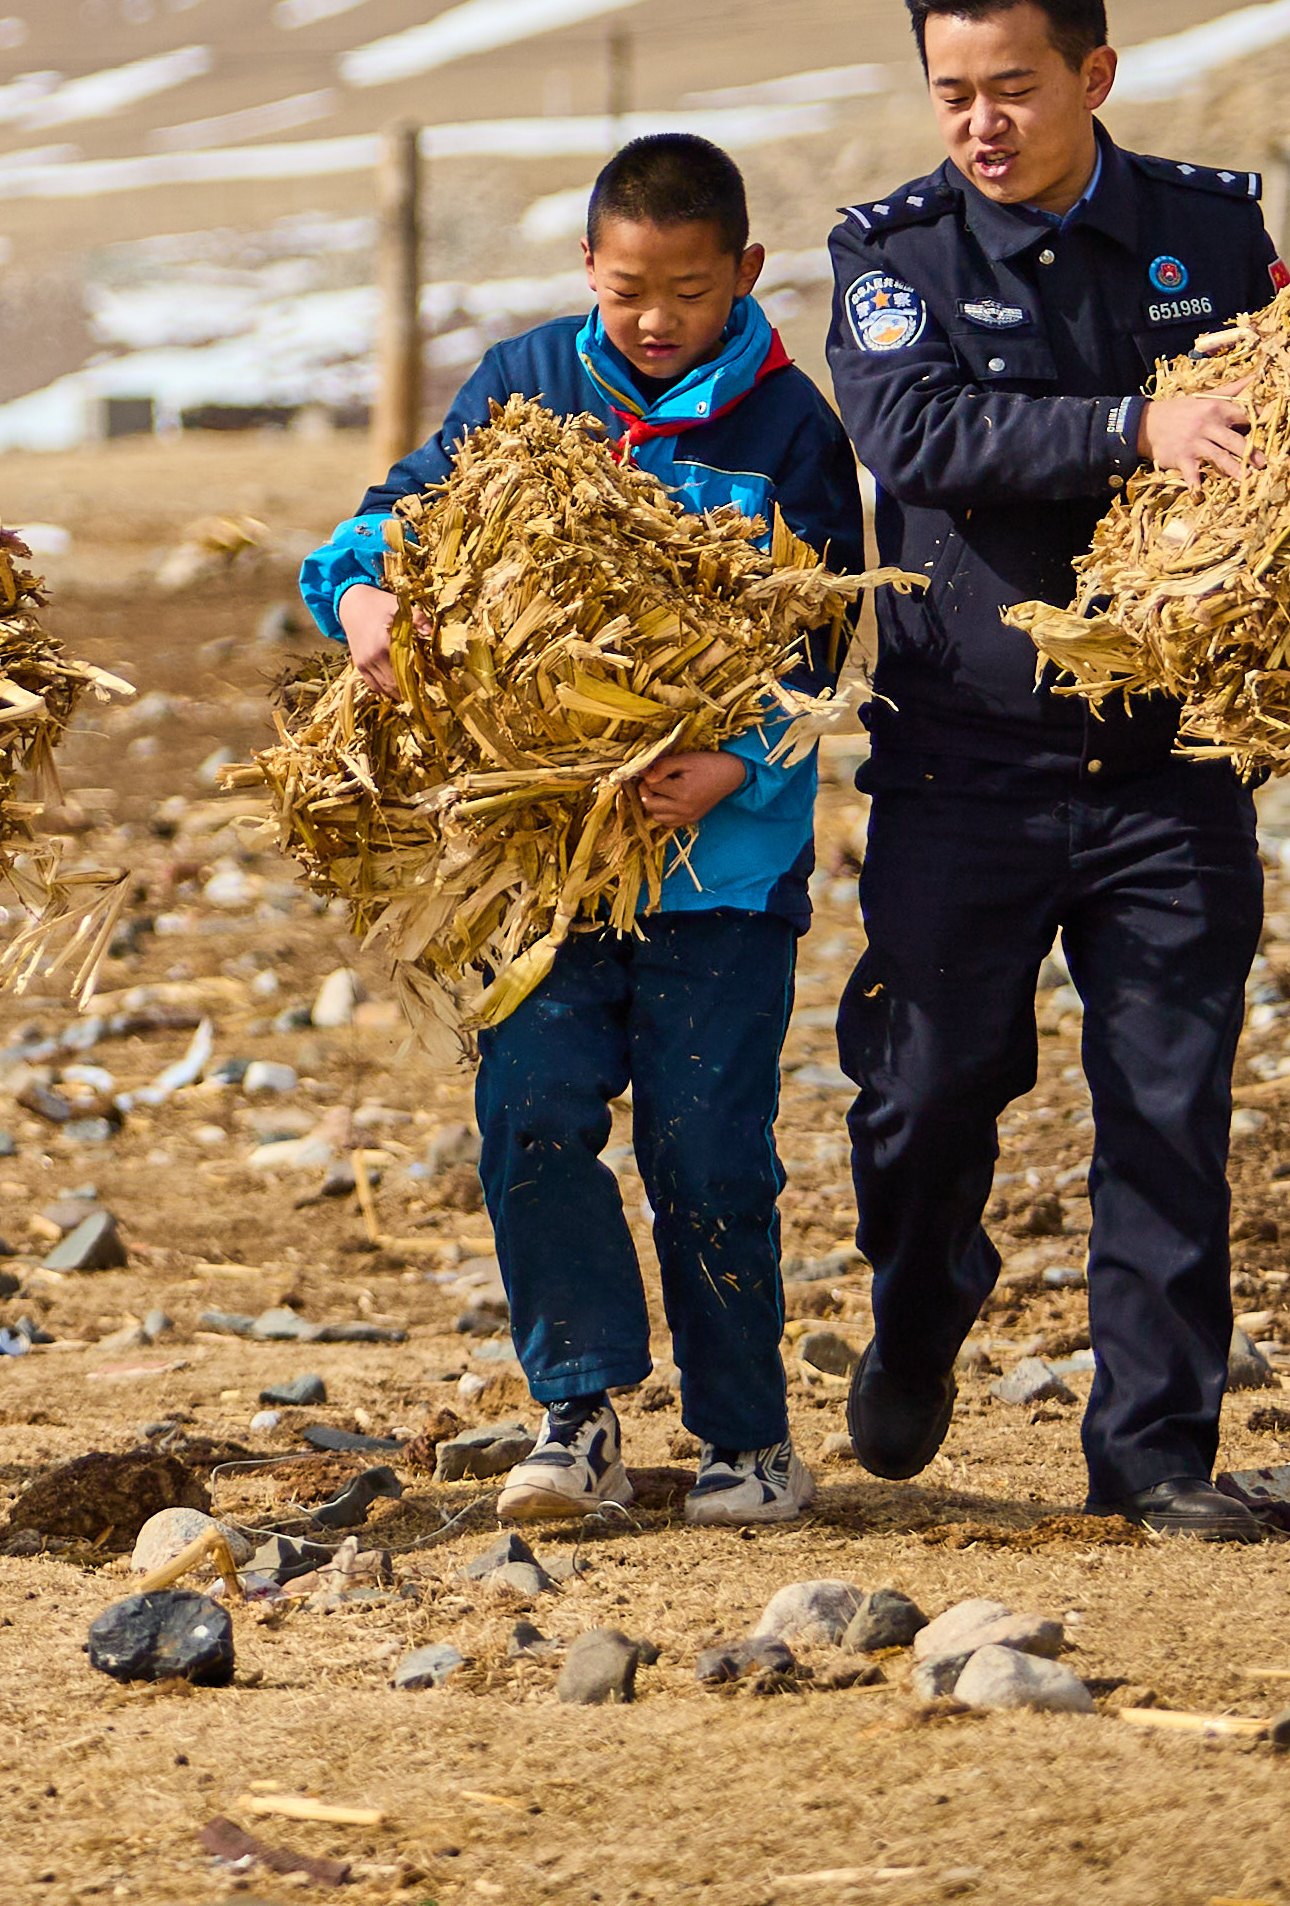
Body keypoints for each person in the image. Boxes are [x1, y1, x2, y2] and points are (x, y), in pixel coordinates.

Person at [298, 132, 861, 1532]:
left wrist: (733, 763)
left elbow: (825, 630)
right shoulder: (524, 389)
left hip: (718, 873)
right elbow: (386, 526)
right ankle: (581, 1413)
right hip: (542, 867)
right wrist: (361, 602)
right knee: (532, 1120)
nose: (656, 322)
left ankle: (745, 1440)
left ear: (746, 271)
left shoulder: (792, 431)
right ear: (585, 275)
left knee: (710, 1148)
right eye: (626, 292)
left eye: (686, 290)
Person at [824, 0, 1287, 1542]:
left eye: (1010, 86)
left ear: (1094, 70)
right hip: (964, 759)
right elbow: (916, 428)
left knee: (1166, 1098)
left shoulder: (1212, 236)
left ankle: (1152, 1454)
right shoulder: (892, 259)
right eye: (950, 91)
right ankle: (921, 1290)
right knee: (925, 1086)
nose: (979, 125)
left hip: (1168, 765)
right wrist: (1134, 424)